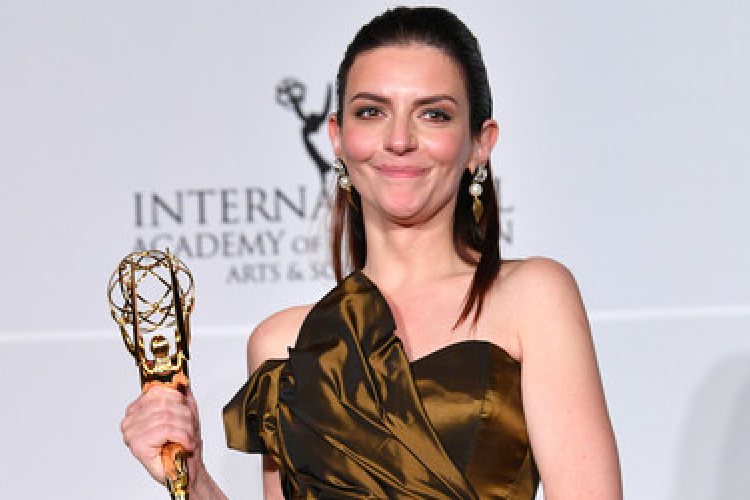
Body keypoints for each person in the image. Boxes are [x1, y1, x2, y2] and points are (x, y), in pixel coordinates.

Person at [121, 6, 622, 499]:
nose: (399, 139)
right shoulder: (284, 344)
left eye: (433, 114)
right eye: (371, 112)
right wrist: (195, 479)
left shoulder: (532, 298)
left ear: (479, 143)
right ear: (338, 138)